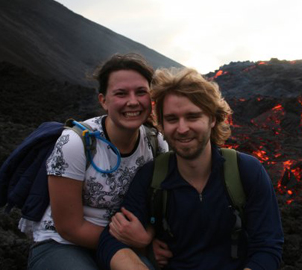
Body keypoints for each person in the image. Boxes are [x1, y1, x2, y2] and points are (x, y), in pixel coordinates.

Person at [97, 68, 284, 270]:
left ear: (212, 119)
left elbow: (267, 247)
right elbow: (111, 240)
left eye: (192, 116)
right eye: (172, 119)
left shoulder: (245, 171)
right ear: (161, 124)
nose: (183, 128)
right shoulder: (152, 177)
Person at [19, 53, 169, 270]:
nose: (133, 101)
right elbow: (69, 227)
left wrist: (149, 235)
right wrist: (139, 243)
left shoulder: (157, 144)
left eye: (141, 92)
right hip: (64, 244)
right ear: (103, 100)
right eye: (121, 93)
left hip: (126, 243)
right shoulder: (76, 143)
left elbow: (161, 205)